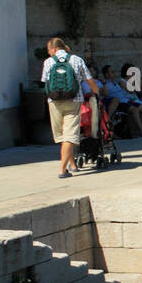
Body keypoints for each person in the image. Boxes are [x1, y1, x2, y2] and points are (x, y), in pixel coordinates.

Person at [41, 38, 98, 178]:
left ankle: (68, 167)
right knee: (70, 135)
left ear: (54, 49)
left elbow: (44, 81)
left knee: (63, 136)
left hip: (54, 102)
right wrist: (96, 92)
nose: (49, 53)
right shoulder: (77, 60)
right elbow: (89, 79)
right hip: (74, 100)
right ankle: (65, 168)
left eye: (49, 50)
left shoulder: (48, 62)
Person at [101, 65, 142, 137]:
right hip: (119, 103)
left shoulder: (115, 83)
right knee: (134, 110)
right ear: (106, 74)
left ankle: (139, 130)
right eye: (112, 72)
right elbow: (105, 95)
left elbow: (123, 93)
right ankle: (141, 131)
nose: (114, 73)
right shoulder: (105, 84)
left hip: (126, 101)